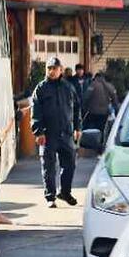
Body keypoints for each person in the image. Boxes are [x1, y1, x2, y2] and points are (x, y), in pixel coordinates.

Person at [32, 57, 82, 208]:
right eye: (49, 68)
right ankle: (50, 197)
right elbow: (36, 112)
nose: (52, 71)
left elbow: (77, 108)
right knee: (48, 166)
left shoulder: (68, 87)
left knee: (70, 164)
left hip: (66, 133)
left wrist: (78, 128)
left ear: (61, 69)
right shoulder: (41, 89)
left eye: (55, 68)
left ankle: (65, 192)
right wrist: (38, 132)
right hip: (48, 134)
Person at [82, 71, 119, 140]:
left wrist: (84, 108)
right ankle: (101, 141)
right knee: (102, 129)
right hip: (104, 113)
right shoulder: (109, 86)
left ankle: (91, 143)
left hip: (92, 112)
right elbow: (115, 99)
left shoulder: (93, 85)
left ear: (96, 77)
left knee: (90, 129)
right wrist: (117, 111)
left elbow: (86, 97)